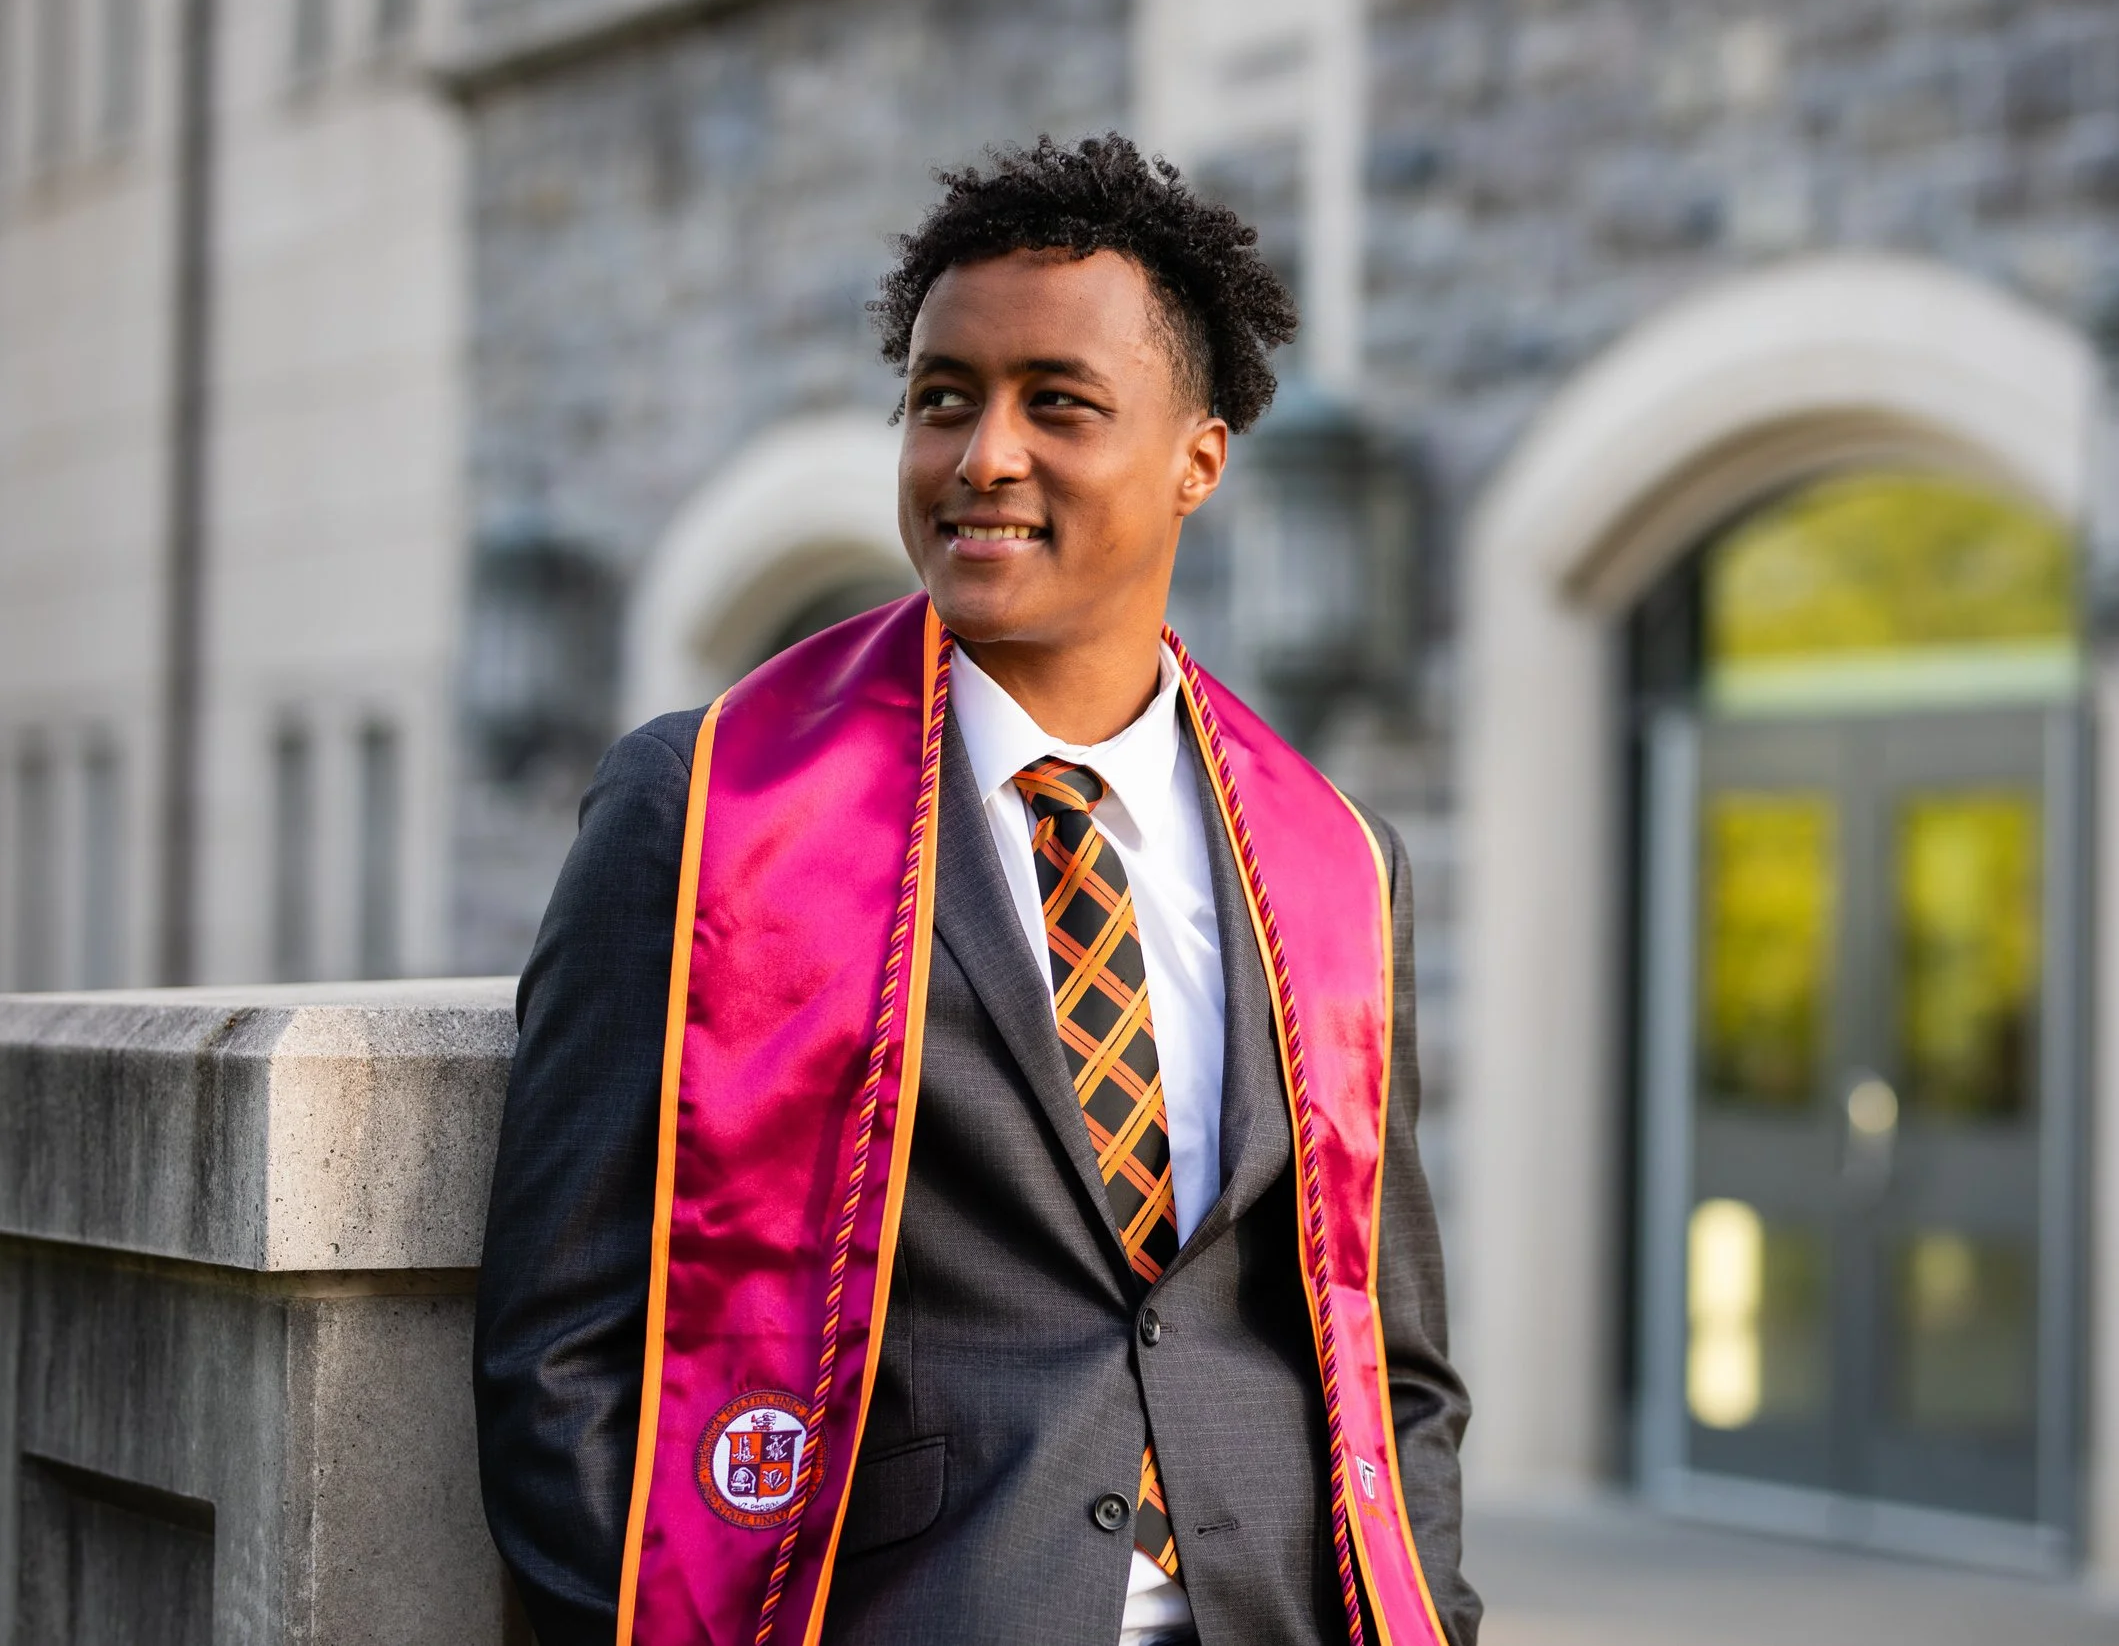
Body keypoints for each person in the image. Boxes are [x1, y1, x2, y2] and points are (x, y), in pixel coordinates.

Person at [473, 133, 1478, 1646]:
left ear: (1199, 457)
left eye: (1056, 404)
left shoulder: (1334, 857)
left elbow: (1390, 1355)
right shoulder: (706, 805)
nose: (983, 454)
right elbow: (560, 1346)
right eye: (943, 399)